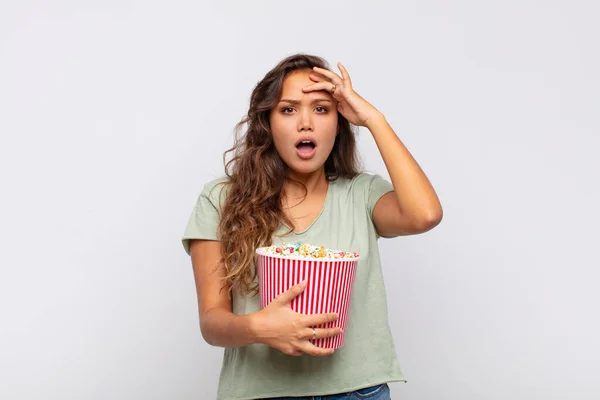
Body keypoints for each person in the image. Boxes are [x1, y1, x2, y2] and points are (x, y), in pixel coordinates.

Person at [181, 53, 443, 400]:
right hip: (262, 393)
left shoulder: (361, 194)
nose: (306, 122)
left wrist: (374, 119)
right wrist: (258, 327)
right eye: (288, 109)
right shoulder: (221, 198)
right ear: (268, 122)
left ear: (339, 121)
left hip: (358, 392)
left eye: (321, 108)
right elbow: (212, 324)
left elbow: (424, 214)